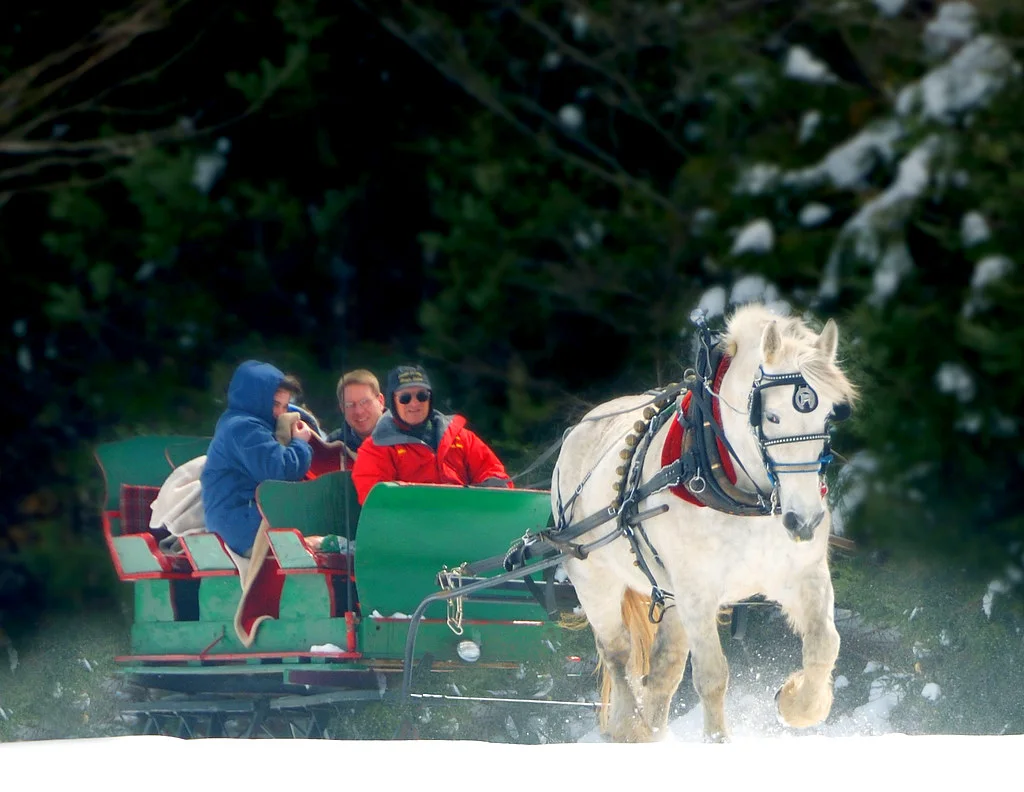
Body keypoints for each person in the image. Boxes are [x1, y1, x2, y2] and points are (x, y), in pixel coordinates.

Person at [351, 364, 513, 504]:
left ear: (430, 398)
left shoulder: (461, 437)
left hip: (466, 519)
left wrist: (493, 484)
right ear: (393, 401)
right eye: (405, 398)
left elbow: (492, 469)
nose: (414, 403)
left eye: (422, 395)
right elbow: (376, 499)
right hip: (412, 528)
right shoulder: (376, 447)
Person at [201, 360, 314, 556]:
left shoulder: (238, 422)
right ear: (256, 399)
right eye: (275, 404)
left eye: (285, 406)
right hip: (242, 525)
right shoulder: (245, 428)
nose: (280, 413)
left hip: (238, 521)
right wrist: (301, 443)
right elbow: (282, 471)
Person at [325, 368, 386, 460]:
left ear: (380, 401)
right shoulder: (333, 445)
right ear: (342, 408)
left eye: (365, 402)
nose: (358, 411)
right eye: (349, 405)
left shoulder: (405, 436)